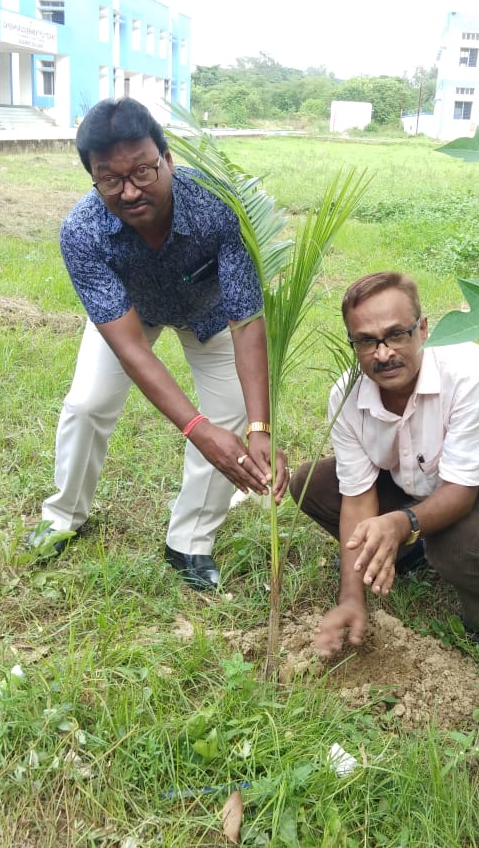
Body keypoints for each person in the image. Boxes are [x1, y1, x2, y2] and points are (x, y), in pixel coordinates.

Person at [30, 97, 287, 590]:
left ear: (167, 160)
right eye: (110, 179)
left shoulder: (218, 206)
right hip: (130, 315)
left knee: (231, 415)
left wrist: (259, 427)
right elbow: (130, 349)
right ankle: (62, 518)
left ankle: (189, 542)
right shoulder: (81, 233)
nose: (129, 191)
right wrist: (194, 426)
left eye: (143, 172)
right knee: (87, 404)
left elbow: (247, 321)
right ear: (93, 178)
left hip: (209, 314)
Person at [289, 272, 479, 654]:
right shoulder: (346, 395)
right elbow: (356, 500)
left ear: (423, 329)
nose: (383, 353)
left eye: (396, 334)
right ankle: (406, 553)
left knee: (456, 545)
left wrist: (400, 523)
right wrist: (351, 597)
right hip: (412, 486)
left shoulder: (472, 372)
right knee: (312, 482)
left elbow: (460, 495)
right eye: (366, 341)